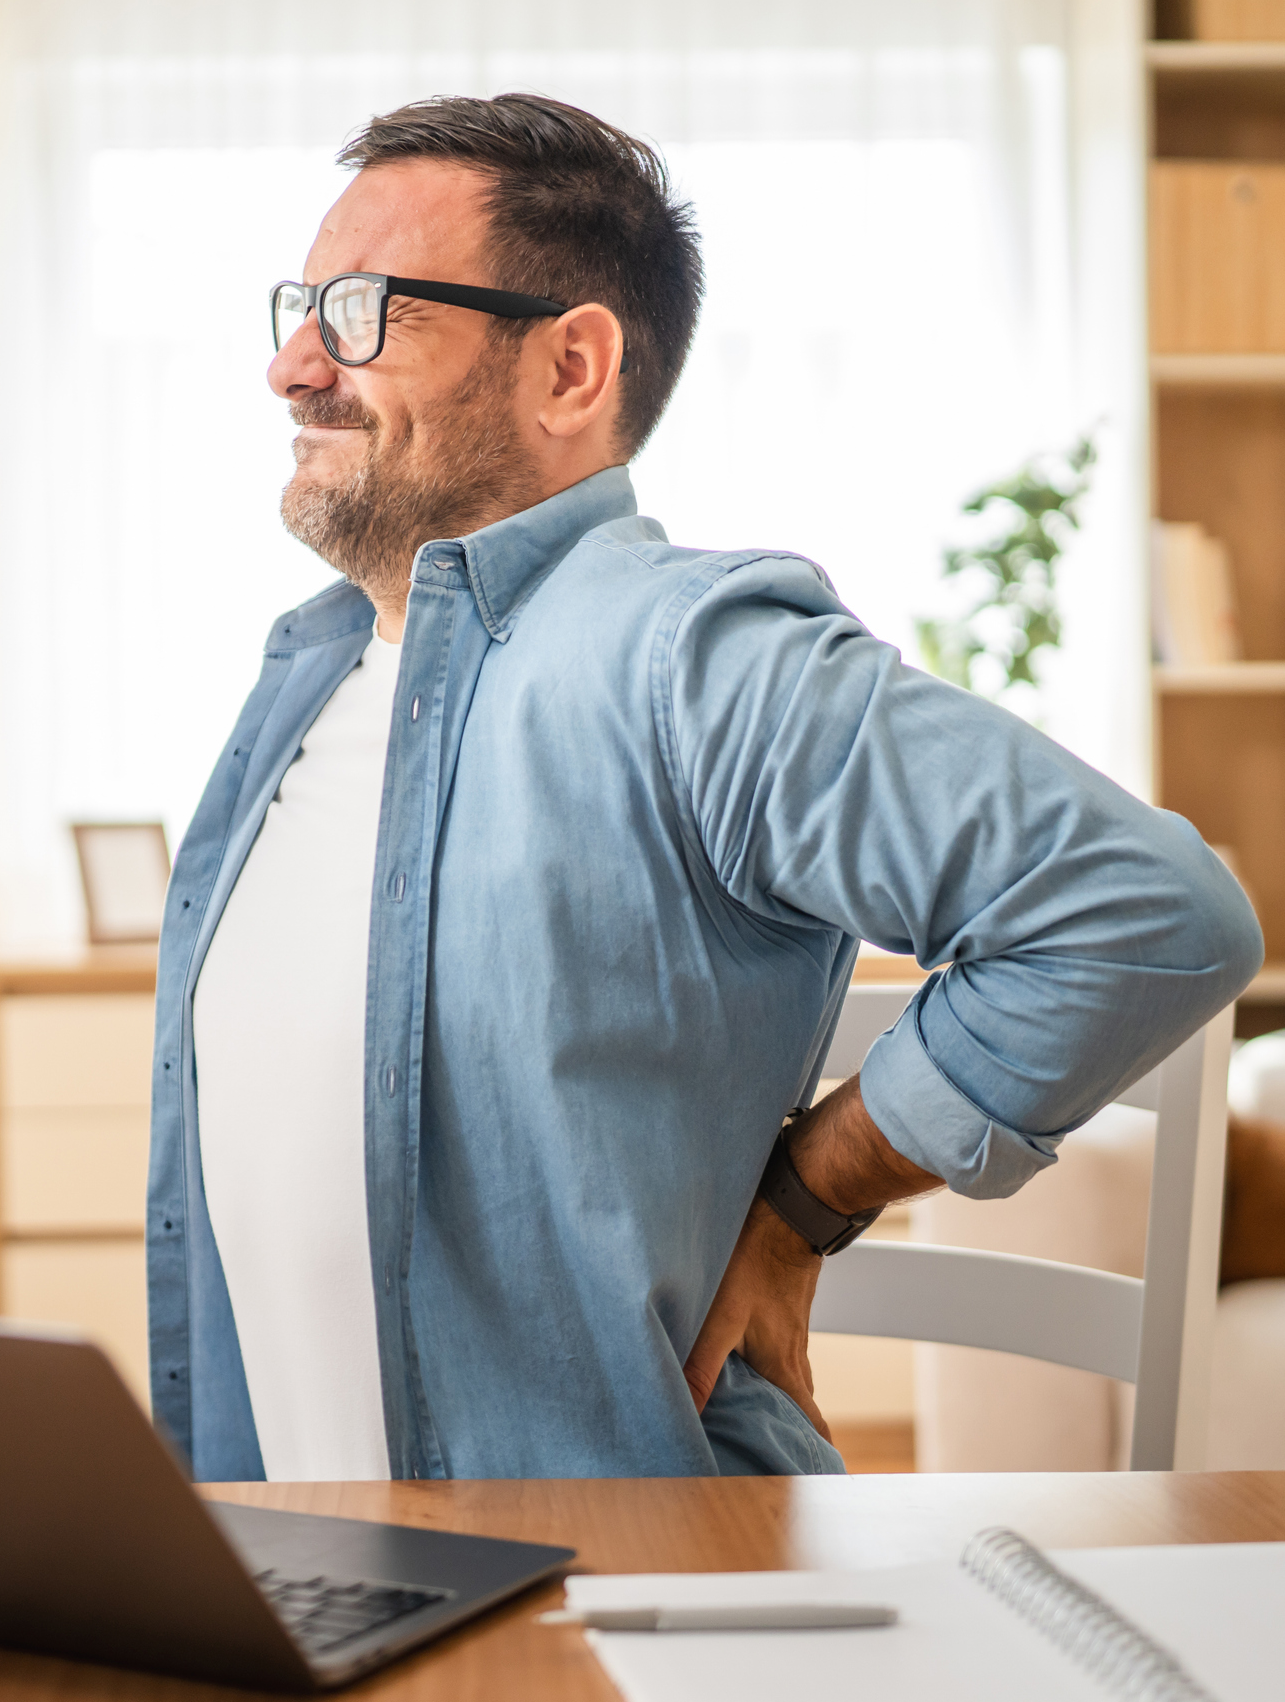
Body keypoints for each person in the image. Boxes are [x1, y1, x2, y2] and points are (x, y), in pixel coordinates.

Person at [147, 92, 1262, 1484]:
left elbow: (1146, 909)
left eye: (365, 309)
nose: (297, 366)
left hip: (609, 1595)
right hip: (305, 1571)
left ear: (570, 367)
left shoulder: (690, 658)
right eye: (300, 306)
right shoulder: (299, 684)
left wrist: (806, 1194)